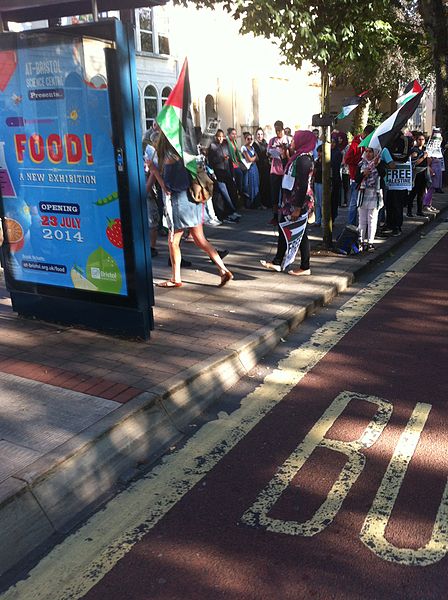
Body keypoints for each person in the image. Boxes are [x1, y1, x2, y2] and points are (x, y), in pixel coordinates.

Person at [155, 132, 233, 288]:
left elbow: (168, 188)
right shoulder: (185, 153)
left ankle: (175, 278)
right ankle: (223, 269)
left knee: (173, 241)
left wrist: (154, 170)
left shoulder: (168, 157)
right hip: (194, 200)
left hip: (179, 203)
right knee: (200, 239)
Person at [260, 130, 315, 276]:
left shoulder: (304, 160)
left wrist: (297, 208)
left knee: (299, 232)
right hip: (289, 200)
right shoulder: (297, 157)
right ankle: (278, 261)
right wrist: (285, 157)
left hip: (298, 201)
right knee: (284, 228)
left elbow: (302, 185)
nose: (291, 143)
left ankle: (305, 266)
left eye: (294, 140)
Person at [343, 124, 375, 225]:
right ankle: (351, 225)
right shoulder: (355, 144)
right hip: (356, 177)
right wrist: (360, 160)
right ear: (364, 134)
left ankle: (363, 226)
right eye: (369, 136)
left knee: (366, 205)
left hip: (368, 178)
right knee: (354, 203)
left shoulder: (370, 143)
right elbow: (347, 159)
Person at [207, 129, 241, 221]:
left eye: (222, 136)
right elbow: (211, 161)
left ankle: (231, 211)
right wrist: (222, 159)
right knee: (223, 193)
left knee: (231, 191)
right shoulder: (213, 146)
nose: (220, 138)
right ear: (216, 137)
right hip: (218, 173)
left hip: (227, 172)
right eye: (219, 136)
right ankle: (226, 213)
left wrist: (232, 173)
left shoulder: (226, 145)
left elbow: (230, 160)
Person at [355, 147, 384, 251]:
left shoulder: (379, 163)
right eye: (366, 151)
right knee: (362, 219)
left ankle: (370, 242)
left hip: (374, 193)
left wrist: (377, 165)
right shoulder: (361, 164)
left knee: (372, 219)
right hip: (362, 193)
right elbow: (356, 178)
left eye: (370, 151)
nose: (368, 154)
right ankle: (361, 241)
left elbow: (383, 174)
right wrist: (363, 174)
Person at [267, 120, 291, 218]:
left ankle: (284, 214)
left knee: (285, 193)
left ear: (283, 129)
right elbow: (268, 153)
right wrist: (270, 153)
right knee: (274, 193)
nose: (278, 133)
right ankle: (275, 215)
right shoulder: (272, 140)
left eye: (279, 130)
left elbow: (291, 156)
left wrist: (285, 150)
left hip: (284, 170)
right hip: (274, 170)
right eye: (276, 131)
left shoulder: (288, 140)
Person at [407, 132, 428, 217]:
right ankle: (409, 211)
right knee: (413, 192)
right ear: (416, 140)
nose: (421, 141)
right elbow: (414, 162)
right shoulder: (414, 150)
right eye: (419, 139)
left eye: (423, 139)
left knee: (421, 193)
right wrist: (423, 157)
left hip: (424, 172)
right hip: (417, 173)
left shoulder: (424, 149)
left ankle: (419, 210)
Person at [241, 132, 260, 208]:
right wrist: (254, 158)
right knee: (250, 184)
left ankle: (256, 203)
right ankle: (250, 204)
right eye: (248, 139)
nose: (250, 140)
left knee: (255, 183)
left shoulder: (252, 148)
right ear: (245, 139)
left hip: (254, 167)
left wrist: (253, 158)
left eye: (251, 139)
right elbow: (248, 159)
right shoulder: (244, 148)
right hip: (249, 168)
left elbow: (257, 158)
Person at [253, 127, 271, 208]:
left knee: (267, 184)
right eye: (258, 134)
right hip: (259, 166)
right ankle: (262, 203)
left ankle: (268, 202)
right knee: (261, 185)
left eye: (261, 134)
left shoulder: (265, 143)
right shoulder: (254, 145)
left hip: (266, 166)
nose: (260, 136)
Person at [226, 127, 244, 198]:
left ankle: (239, 194)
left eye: (235, 134)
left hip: (236, 163)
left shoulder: (235, 142)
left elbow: (237, 153)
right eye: (233, 134)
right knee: (237, 177)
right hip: (230, 164)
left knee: (240, 176)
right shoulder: (226, 142)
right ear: (229, 135)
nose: (234, 135)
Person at [330, 138, 342, 222]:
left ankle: (333, 217)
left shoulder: (338, 153)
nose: (332, 144)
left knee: (334, 199)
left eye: (334, 142)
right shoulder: (327, 151)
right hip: (328, 178)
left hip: (335, 178)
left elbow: (335, 165)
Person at [313, 144, 323, 226]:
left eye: (321, 152)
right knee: (317, 202)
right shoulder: (316, 161)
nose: (319, 154)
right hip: (316, 182)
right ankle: (318, 220)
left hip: (323, 183)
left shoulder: (326, 162)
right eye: (318, 152)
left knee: (322, 202)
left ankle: (323, 220)